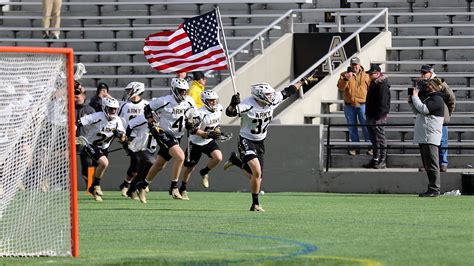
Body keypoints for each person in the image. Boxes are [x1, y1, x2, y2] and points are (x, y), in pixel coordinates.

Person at [223, 75, 315, 212]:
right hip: (246, 140)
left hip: (260, 142)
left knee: (257, 177)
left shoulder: (272, 100)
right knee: (257, 171)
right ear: (259, 95)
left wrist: (303, 81)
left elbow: (289, 91)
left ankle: (236, 161)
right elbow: (230, 113)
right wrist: (232, 104)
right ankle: (255, 204)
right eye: (267, 94)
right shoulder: (247, 104)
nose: (271, 97)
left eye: (271, 94)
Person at [130, 78, 196, 204]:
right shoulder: (164, 101)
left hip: (178, 135)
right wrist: (151, 123)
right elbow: (147, 109)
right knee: (180, 157)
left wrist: (192, 123)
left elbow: (195, 117)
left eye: (185, 91)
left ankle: (142, 186)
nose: (183, 94)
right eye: (180, 91)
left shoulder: (189, 101)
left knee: (159, 164)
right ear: (174, 90)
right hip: (163, 133)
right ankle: (174, 187)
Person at [76, 97, 126, 201]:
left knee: (100, 167)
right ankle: (97, 185)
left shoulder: (117, 121)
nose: (113, 111)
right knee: (104, 163)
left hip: (104, 148)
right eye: (110, 108)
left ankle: (92, 188)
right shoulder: (97, 116)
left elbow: (123, 139)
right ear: (104, 108)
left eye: (114, 109)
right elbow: (78, 122)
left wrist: (120, 135)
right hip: (90, 145)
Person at [177, 90, 224, 200]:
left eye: (214, 100)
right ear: (204, 101)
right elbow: (193, 130)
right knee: (189, 168)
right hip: (196, 142)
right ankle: (182, 188)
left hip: (208, 141)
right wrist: (206, 134)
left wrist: (218, 130)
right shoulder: (199, 113)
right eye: (210, 100)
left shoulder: (219, 108)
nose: (213, 102)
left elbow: (216, 124)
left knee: (218, 157)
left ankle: (204, 171)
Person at [409, 79, 445, 197]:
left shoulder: (437, 99)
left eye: (429, 85)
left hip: (430, 136)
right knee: (427, 164)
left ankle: (435, 189)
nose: (426, 87)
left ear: (434, 87)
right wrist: (412, 101)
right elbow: (418, 111)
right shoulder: (430, 98)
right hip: (425, 135)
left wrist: (415, 97)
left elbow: (424, 109)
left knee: (433, 164)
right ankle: (432, 188)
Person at [417, 65, 456, 172]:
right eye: (421, 73)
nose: (422, 75)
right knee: (428, 142)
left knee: (442, 141)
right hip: (428, 116)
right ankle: (430, 165)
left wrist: (447, 113)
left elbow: (451, 97)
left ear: (430, 72)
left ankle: (443, 163)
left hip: (439, 116)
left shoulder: (438, 82)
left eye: (424, 73)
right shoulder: (422, 84)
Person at [117, 82, 148, 197]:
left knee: (141, 163)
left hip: (142, 138)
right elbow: (118, 120)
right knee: (136, 161)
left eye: (130, 90)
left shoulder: (146, 105)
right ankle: (131, 187)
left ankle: (126, 184)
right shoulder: (124, 105)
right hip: (128, 138)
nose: (128, 92)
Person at [337, 57, 371, 155]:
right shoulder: (344, 74)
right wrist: (346, 79)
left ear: (360, 65)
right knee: (352, 127)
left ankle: (371, 147)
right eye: (352, 64)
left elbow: (370, 89)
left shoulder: (366, 75)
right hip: (349, 105)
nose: (354, 66)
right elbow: (340, 87)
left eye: (356, 64)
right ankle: (355, 148)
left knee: (366, 126)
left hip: (363, 105)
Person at [362, 64, 391, 169]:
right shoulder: (374, 82)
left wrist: (380, 115)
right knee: (374, 139)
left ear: (378, 73)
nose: (369, 75)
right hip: (371, 114)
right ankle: (375, 159)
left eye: (371, 73)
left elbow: (383, 101)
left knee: (380, 138)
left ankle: (383, 160)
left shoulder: (382, 84)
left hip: (378, 116)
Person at [74, 81, 95, 185]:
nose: (76, 96)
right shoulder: (67, 108)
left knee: (87, 165)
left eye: (78, 94)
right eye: (74, 94)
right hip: (69, 143)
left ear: (84, 95)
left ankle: (90, 186)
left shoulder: (90, 110)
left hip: (85, 142)